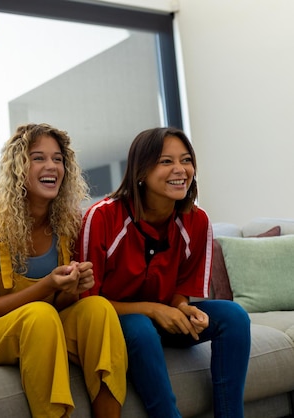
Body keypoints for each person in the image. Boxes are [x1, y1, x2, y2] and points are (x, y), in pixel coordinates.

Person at [78, 127, 251, 417]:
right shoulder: (102, 217)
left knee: (234, 317)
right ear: (141, 171)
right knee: (141, 328)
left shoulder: (197, 221)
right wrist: (153, 311)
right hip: (113, 320)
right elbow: (87, 302)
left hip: (161, 316)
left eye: (185, 160)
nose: (180, 169)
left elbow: (180, 289)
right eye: (166, 161)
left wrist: (183, 308)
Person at [0, 123, 127, 418]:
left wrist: (71, 289)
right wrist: (49, 284)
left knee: (98, 308)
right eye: (38, 158)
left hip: (43, 325)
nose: (51, 166)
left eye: (58, 159)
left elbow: (59, 305)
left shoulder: (68, 218)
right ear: (18, 167)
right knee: (40, 314)